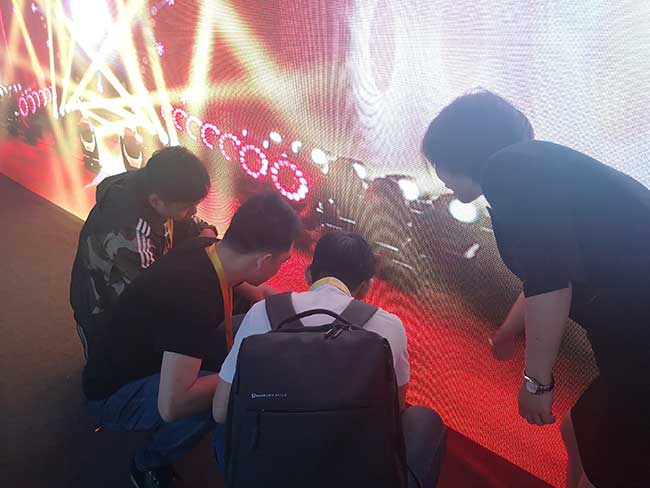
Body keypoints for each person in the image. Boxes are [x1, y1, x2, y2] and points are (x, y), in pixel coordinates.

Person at [422, 89, 650, 488]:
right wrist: (508, 332)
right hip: (632, 342)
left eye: (437, 160)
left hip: (639, 345)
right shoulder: (532, 170)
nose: (436, 174)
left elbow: (549, 280)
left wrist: (537, 382)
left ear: (458, 149)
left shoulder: (509, 169)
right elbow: (544, 275)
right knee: (577, 429)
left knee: (609, 470)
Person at [82, 192, 301, 488]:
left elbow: (262, 295)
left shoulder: (209, 249)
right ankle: (147, 463)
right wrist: (240, 376)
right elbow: (173, 405)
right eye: (282, 262)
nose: (281, 269)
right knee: (226, 396)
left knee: (244, 337)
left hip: (144, 356)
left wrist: (307, 310)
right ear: (263, 260)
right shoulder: (193, 300)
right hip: (111, 394)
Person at [212, 231, 447, 487]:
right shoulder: (389, 326)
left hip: (264, 475)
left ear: (308, 274)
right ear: (366, 287)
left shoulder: (261, 313)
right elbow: (394, 410)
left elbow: (221, 411)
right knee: (424, 419)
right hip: (354, 475)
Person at [70, 145, 271, 361]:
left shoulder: (153, 185)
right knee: (111, 364)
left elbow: (193, 224)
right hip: (104, 311)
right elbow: (153, 295)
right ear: (156, 201)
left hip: (144, 282)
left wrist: (207, 237)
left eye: (196, 204)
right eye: (187, 206)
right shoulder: (130, 238)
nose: (193, 211)